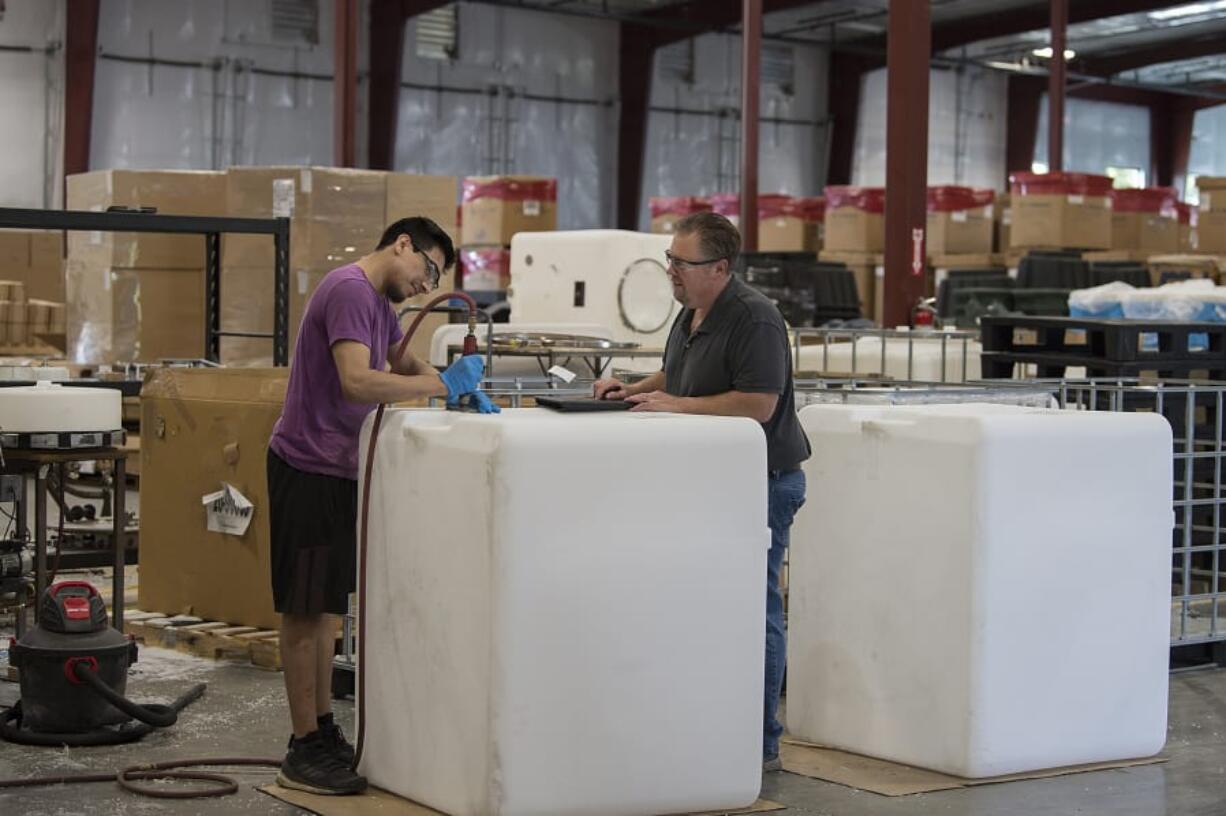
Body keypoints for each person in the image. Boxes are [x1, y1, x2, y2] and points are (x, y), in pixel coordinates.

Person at [266, 216, 497, 796]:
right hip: (308, 467)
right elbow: (357, 381)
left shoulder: (378, 305)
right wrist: (443, 389)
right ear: (402, 245)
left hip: (338, 470)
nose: (428, 283)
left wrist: (451, 377)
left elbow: (398, 362)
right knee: (304, 612)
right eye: (429, 268)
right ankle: (302, 747)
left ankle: (320, 730)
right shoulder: (347, 289)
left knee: (325, 613)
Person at [593, 211, 809, 772]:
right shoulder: (692, 312)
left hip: (762, 483)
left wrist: (678, 407)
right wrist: (632, 390)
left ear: (719, 267)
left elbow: (758, 402)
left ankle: (761, 743)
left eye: (680, 263)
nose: (670, 271)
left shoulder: (755, 318)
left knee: (755, 610)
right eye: (669, 260)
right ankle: (707, 724)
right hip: (710, 482)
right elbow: (677, 374)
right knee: (707, 606)